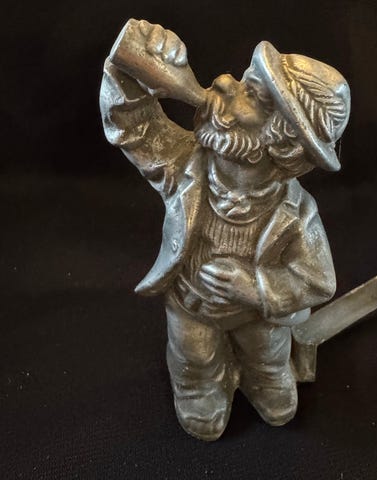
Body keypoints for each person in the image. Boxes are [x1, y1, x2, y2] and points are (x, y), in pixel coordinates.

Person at [100, 21, 350, 441]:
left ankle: (264, 378)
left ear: (282, 142)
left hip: (258, 315)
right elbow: (134, 128)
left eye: (251, 93)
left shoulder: (296, 213)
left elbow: (318, 280)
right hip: (191, 303)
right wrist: (128, 72)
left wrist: (254, 287)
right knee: (193, 357)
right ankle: (198, 388)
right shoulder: (183, 163)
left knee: (268, 357)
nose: (221, 81)